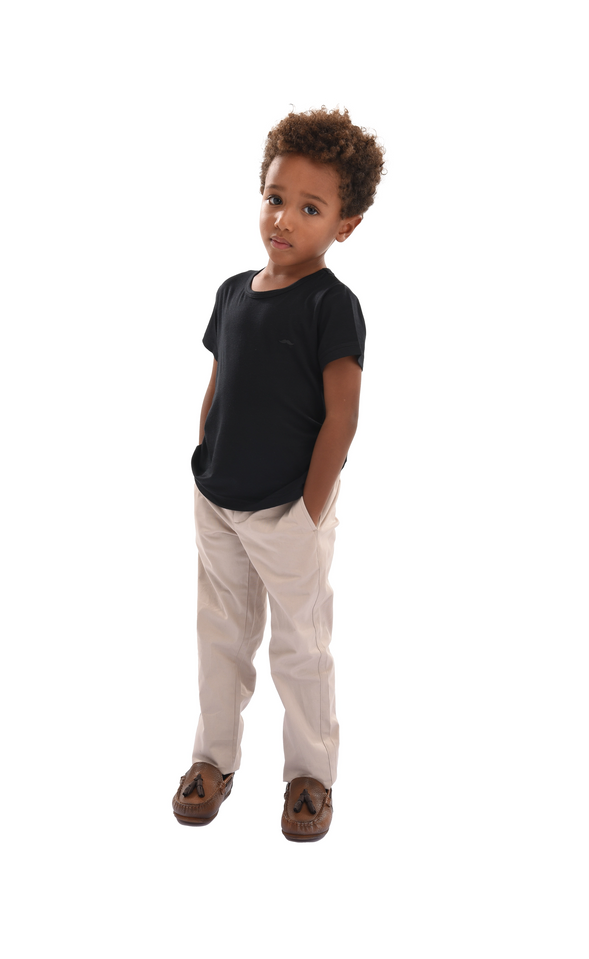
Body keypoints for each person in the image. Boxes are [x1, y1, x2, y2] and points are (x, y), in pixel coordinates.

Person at [172, 105, 386, 841]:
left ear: (345, 224)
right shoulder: (233, 290)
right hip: (220, 499)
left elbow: (342, 417)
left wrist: (308, 508)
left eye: (310, 207)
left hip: (288, 509)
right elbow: (220, 380)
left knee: (300, 641)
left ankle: (310, 774)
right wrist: (204, 458)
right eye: (274, 197)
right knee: (220, 633)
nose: (284, 219)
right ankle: (212, 759)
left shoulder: (333, 305)